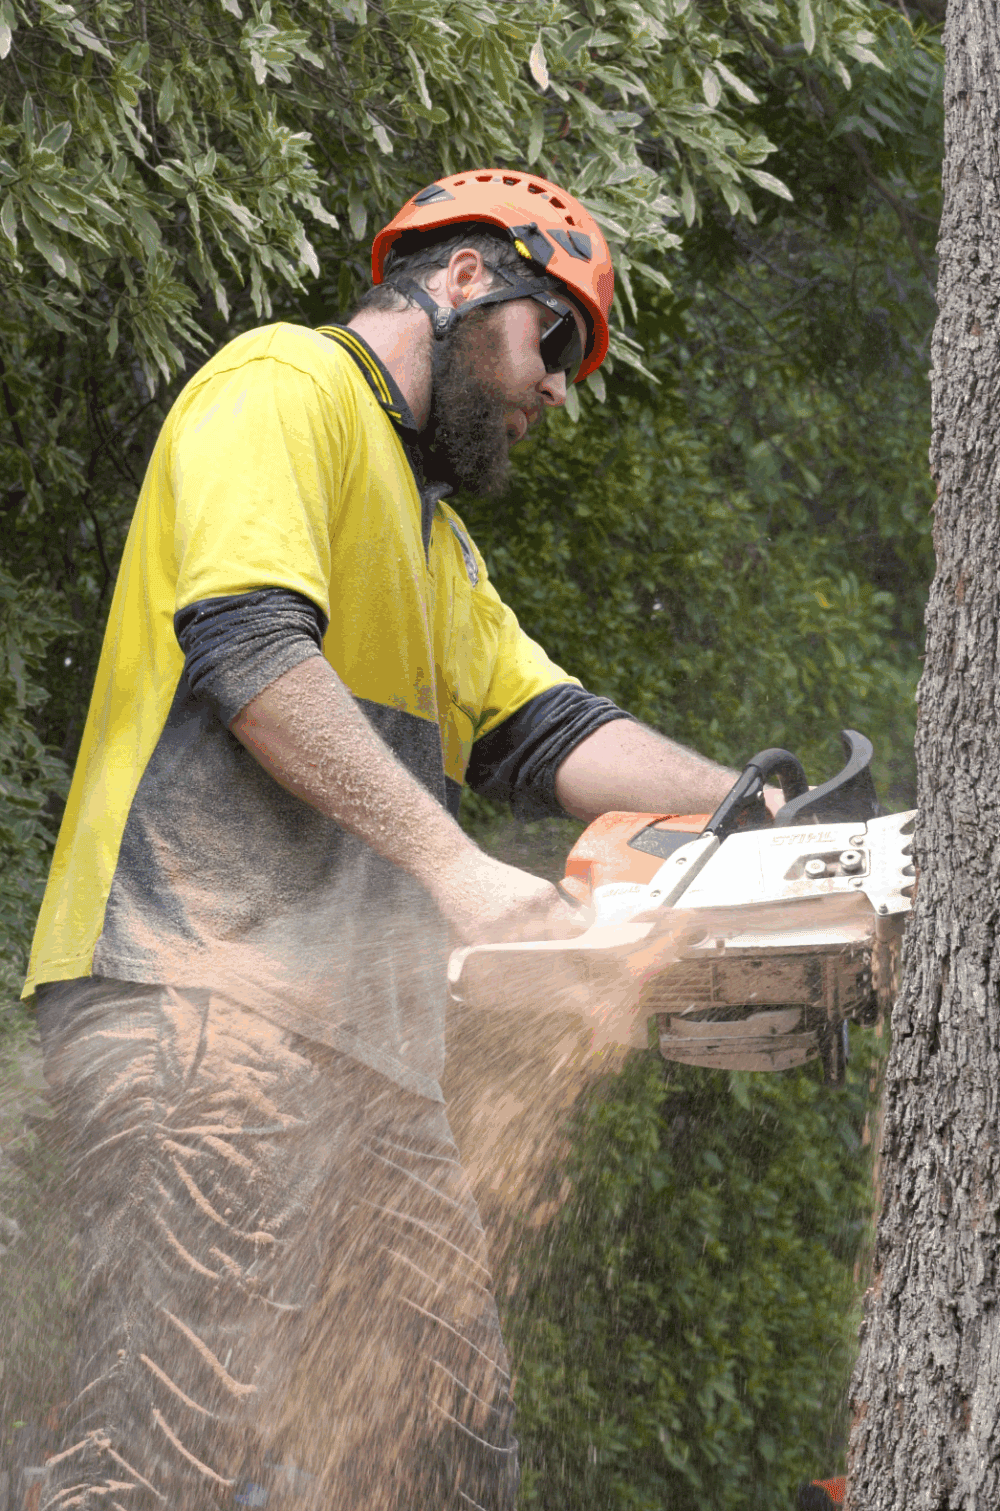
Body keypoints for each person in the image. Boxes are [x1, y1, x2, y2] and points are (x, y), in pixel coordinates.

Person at [23, 169, 781, 1509]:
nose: (560, 387)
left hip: (367, 1054)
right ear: (470, 278)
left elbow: (548, 732)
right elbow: (249, 652)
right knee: (160, 1465)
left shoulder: (440, 550)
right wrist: (455, 869)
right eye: (558, 339)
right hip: (198, 992)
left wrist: (751, 812)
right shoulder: (283, 386)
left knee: (447, 1458)